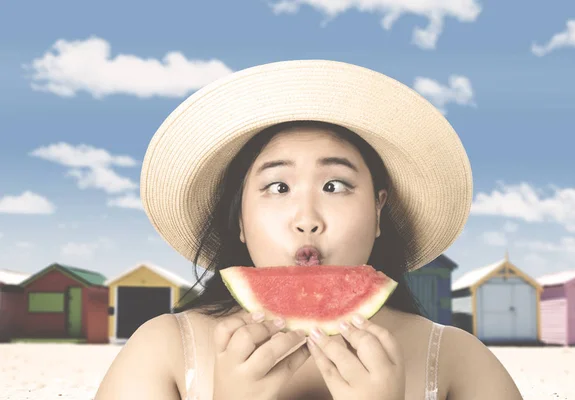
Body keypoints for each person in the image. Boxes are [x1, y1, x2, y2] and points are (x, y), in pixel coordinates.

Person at [95, 60, 523, 400]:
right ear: (240, 220)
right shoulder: (160, 352)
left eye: (334, 186)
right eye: (277, 186)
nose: (306, 218)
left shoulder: (461, 362)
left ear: (378, 211)